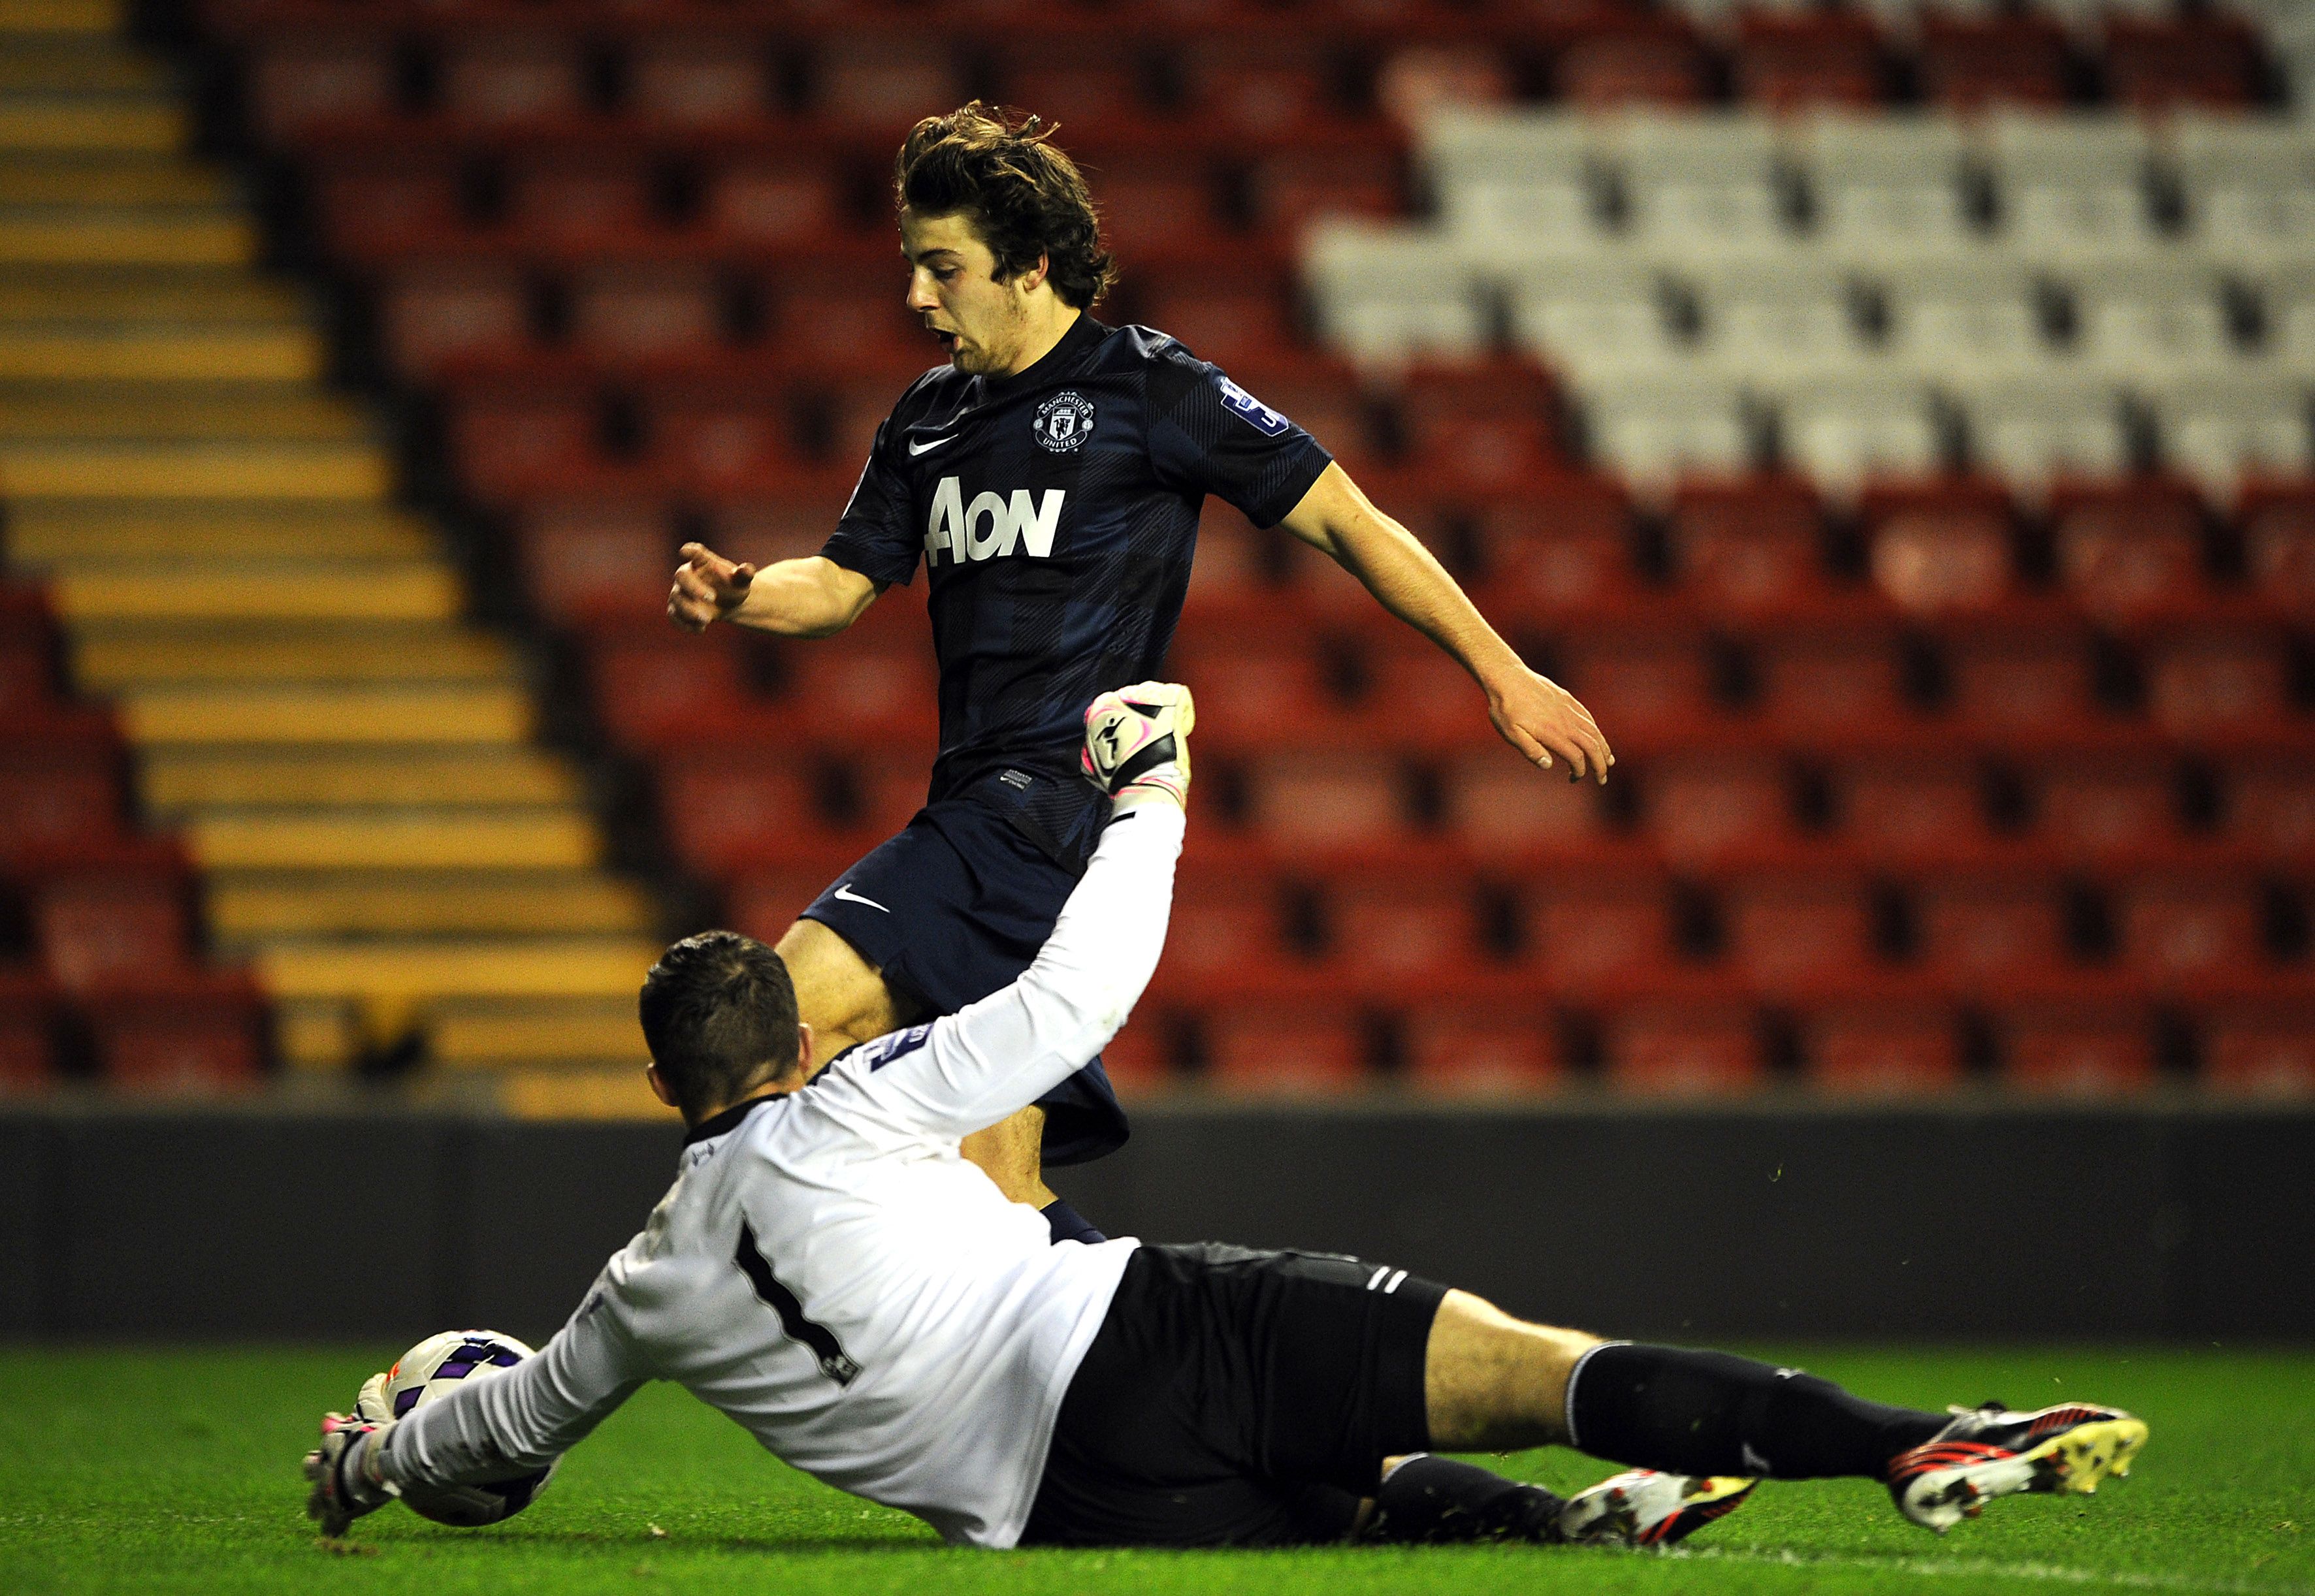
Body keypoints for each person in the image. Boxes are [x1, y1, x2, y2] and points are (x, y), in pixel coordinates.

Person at [306, 684, 2145, 1552]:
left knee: (1347, 1501)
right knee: (1522, 1357)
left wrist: (365, 1464)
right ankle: (1917, 1441)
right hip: (1120, 1332)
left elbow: (506, 1417)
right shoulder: (856, 1105)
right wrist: (1153, 794)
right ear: (796, 1034)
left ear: (659, 1092)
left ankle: (1564, 1537)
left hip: (1063, 1503)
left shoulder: (637, 1290)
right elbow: (1072, 1002)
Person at [663, 103, 1613, 1240]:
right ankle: (1227, 1390)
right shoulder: (926, 419)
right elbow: (844, 582)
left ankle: (643, 1336)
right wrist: (744, 593)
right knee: (999, 1211)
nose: (917, 297)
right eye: (913, 267)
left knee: (757, 1037)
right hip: (974, 812)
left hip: (1048, 812)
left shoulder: (1152, 391)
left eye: (942, 268)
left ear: (1031, 265)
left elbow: (1353, 522)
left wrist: (1503, 673)